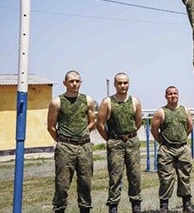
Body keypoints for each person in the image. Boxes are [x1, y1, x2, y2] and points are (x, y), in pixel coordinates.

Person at [47, 70, 96, 213]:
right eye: (71, 81)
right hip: (65, 148)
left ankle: (85, 209)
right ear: (65, 83)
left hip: (84, 147)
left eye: (77, 81)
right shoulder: (57, 102)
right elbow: (51, 126)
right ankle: (60, 208)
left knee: (85, 182)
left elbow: (92, 122)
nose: (74, 84)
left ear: (81, 82)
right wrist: (63, 141)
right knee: (62, 184)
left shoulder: (88, 100)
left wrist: (82, 135)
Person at [96, 72, 143, 213]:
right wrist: (110, 139)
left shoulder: (135, 101)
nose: (123, 86)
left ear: (129, 83)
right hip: (115, 142)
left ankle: (136, 205)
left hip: (132, 142)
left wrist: (129, 136)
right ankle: (113, 206)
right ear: (115, 84)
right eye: (120, 83)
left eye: (125, 83)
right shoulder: (107, 102)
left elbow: (138, 122)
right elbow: (100, 124)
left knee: (135, 175)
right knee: (115, 176)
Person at [151, 86, 194, 213]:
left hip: (182, 149)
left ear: (178, 95)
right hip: (166, 150)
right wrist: (162, 142)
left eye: (175, 93)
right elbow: (154, 130)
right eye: (170, 94)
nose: (173, 96)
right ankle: (164, 206)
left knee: (185, 177)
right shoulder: (161, 112)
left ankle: (187, 205)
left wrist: (181, 139)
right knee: (166, 178)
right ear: (166, 96)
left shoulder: (185, 110)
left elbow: (189, 127)